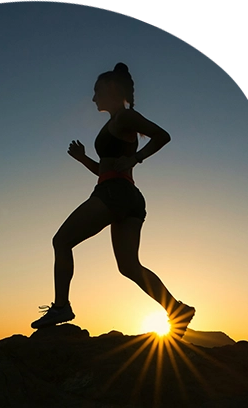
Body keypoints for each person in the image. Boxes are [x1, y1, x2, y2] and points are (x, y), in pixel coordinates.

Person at [31, 62, 195, 338]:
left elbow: (162, 136)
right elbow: (106, 169)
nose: (93, 97)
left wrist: (136, 157)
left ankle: (61, 307)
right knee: (129, 266)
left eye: (96, 91)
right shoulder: (116, 122)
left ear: (109, 88)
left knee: (61, 241)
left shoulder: (123, 118)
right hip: (128, 196)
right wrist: (84, 159)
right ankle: (177, 309)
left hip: (114, 193)